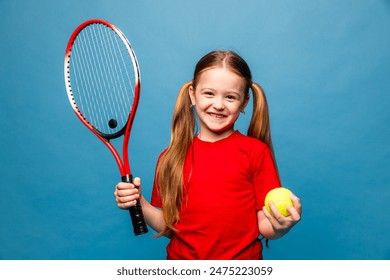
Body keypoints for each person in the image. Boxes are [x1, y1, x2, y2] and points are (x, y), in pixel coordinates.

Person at [114, 50, 302, 260]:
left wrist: (282, 226)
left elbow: (265, 225)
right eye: (209, 94)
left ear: (244, 103)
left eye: (230, 97)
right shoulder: (170, 157)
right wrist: (140, 202)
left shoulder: (255, 152)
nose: (219, 105)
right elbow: (168, 226)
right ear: (193, 95)